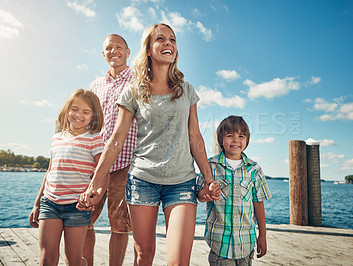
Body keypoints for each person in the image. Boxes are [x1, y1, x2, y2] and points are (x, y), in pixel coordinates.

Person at [79, 23, 220, 265]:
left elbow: (195, 137)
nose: (168, 43)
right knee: (144, 256)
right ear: (147, 49)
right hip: (142, 180)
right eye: (161, 39)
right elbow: (115, 141)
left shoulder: (187, 91)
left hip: (182, 183)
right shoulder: (133, 92)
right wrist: (94, 184)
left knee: (178, 261)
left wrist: (207, 178)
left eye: (172, 40)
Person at [29, 89, 106, 266]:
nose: (79, 115)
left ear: (93, 116)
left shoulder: (94, 139)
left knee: (73, 260)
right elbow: (49, 172)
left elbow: (103, 173)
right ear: (67, 110)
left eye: (86, 112)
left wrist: (98, 194)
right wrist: (37, 203)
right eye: (75, 109)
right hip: (50, 203)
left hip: (77, 206)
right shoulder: (56, 138)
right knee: (47, 258)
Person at [83, 34, 138, 266]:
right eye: (108, 48)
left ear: (127, 52)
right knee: (84, 219)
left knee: (120, 225)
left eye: (118, 47)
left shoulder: (139, 80)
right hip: (96, 163)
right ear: (103, 54)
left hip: (126, 164)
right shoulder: (95, 85)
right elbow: (90, 123)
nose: (113, 51)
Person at [197, 115, 272, 266]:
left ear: (247, 140)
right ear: (221, 139)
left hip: (246, 242)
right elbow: (199, 196)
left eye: (241, 136)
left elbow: (258, 204)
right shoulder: (211, 166)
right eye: (230, 135)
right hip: (219, 243)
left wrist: (262, 235)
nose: (236, 140)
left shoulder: (254, 169)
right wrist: (206, 193)